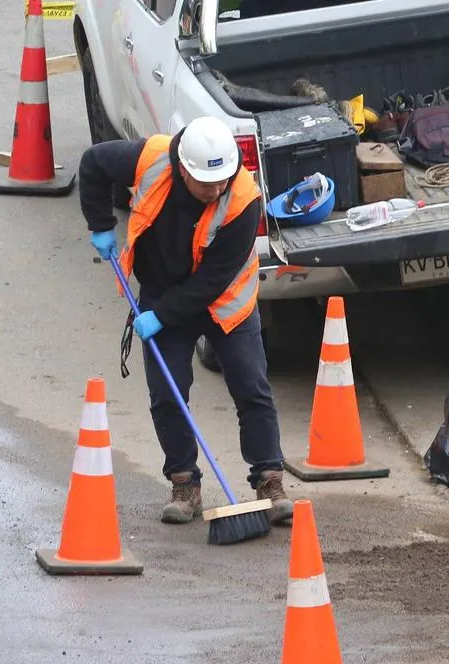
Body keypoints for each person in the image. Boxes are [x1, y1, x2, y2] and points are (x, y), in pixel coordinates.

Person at [77, 116, 293, 526]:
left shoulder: (243, 198)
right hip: (161, 288)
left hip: (225, 300)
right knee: (168, 393)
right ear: (183, 170)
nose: (216, 191)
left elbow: (213, 279)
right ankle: (184, 483)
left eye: (222, 181)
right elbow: (93, 164)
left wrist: (162, 316)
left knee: (251, 386)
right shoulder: (151, 159)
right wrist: (100, 224)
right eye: (207, 184)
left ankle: (269, 480)